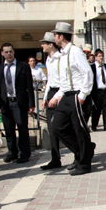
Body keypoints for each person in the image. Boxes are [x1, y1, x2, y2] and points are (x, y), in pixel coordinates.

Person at [47, 22, 94, 175]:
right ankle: (83, 152)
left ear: (60, 36)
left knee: (79, 130)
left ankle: (84, 164)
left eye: (55, 35)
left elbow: (87, 73)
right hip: (66, 95)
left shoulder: (75, 51)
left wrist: (82, 95)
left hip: (76, 96)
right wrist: (57, 96)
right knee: (56, 126)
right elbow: (65, 81)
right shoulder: (62, 54)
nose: (54, 37)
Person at [0, 43, 35, 164]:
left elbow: (29, 86)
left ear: (14, 52)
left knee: (22, 129)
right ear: (2, 53)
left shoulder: (23, 66)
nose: (9, 54)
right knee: (9, 130)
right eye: (6, 52)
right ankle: (12, 152)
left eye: (10, 51)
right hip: (5, 103)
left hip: (19, 103)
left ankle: (25, 153)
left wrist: (31, 104)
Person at [40, 32, 63, 171]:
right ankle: (55, 158)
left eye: (44, 43)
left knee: (64, 127)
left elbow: (64, 81)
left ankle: (83, 150)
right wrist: (45, 97)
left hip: (62, 93)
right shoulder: (48, 60)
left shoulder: (61, 58)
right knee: (51, 128)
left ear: (51, 44)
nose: (42, 45)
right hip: (52, 93)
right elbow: (50, 81)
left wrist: (57, 97)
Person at [90, 49, 106, 131]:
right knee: (96, 110)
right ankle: (94, 126)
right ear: (95, 57)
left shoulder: (105, 66)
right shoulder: (92, 67)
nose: (101, 58)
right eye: (99, 56)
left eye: (102, 56)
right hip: (97, 91)